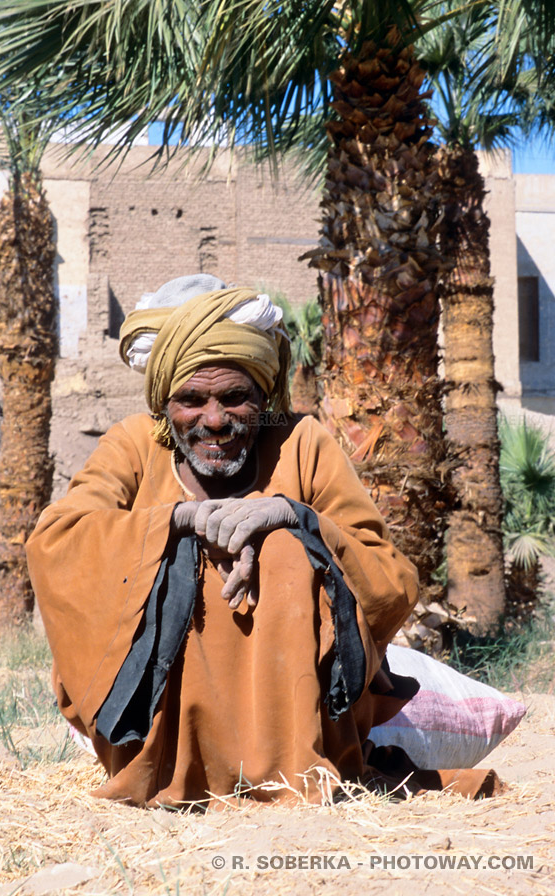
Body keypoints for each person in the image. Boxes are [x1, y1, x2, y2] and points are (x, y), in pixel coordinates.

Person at [26, 275, 496, 807]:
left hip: (307, 715)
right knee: (172, 555)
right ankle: (173, 775)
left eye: (234, 398)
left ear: (263, 395)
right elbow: (58, 542)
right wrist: (183, 522)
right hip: (159, 735)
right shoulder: (135, 445)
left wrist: (291, 518)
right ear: (163, 403)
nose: (215, 420)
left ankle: (291, 776)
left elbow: (389, 579)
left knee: (288, 553)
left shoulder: (301, 443)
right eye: (192, 400)